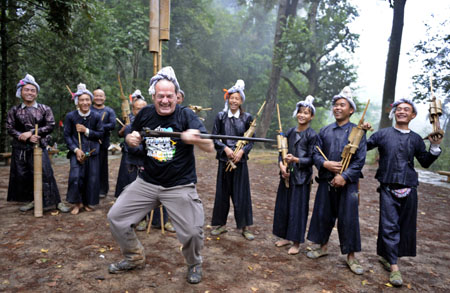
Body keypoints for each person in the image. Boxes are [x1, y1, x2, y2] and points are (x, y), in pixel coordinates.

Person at [107, 66, 214, 284]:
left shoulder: (186, 116)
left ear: (178, 97)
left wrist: (197, 139)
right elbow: (132, 134)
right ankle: (134, 257)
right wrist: (130, 140)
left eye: (169, 96)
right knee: (116, 218)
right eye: (160, 96)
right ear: (153, 96)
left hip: (179, 185)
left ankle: (194, 263)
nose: (165, 100)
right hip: (147, 182)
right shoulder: (145, 114)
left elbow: (210, 146)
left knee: (193, 232)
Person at [366, 99, 442, 286]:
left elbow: (424, 161)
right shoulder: (382, 134)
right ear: (394, 113)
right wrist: (361, 132)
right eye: (398, 109)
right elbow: (363, 147)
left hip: (409, 186)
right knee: (389, 225)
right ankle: (394, 267)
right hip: (387, 186)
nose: (401, 112)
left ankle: (387, 256)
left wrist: (435, 146)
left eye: (406, 110)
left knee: (403, 226)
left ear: (413, 115)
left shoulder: (416, 139)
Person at [306, 86, 366, 275]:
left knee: (348, 220)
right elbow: (315, 153)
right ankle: (322, 247)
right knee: (324, 214)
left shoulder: (358, 133)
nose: (337, 108)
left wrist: (344, 176)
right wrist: (325, 164)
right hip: (326, 181)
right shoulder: (324, 131)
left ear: (351, 110)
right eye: (335, 105)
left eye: (342, 105)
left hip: (347, 185)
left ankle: (351, 257)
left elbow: (359, 160)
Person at [6, 74, 70, 213]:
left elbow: (50, 125)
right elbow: (10, 128)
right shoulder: (14, 110)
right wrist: (23, 136)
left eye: (32, 90)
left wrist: (34, 134)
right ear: (20, 92)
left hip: (39, 147)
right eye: (26, 90)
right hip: (21, 149)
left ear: (36, 93)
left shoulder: (44, 109)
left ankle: (56, 202)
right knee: (25, 175)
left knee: (46, 173)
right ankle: (32, 200)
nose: (29, 92)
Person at [210, 79, 255, 241]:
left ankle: (245, 227)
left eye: (237, 98)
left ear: (241, 100)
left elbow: (251, 139)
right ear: (228, 99)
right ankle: (220, 225)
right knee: (222, 194)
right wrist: (226, 149)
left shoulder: (247, 118)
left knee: (241, 194)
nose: (234, 101)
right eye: (231, 97)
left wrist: (241, 151)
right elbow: (215, 138)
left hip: (240, 163)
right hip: (224, 161)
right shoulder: (221, 117)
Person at [273, 96, 318, 255]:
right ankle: (285, 236)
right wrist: (281, 166)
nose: (302, 115)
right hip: (286, 175)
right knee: (284, 207)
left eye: (306, 113)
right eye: (300, 112)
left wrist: (296, 159)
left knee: (298, 210)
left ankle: (296, 242)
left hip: (302, 178)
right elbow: (281, 152)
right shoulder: (290, 132)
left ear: (311, 116)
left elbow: (313, 158)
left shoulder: (312, 135)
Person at [64, 83, 104, 215]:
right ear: (77, 102)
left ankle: (87, 202)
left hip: (92, 152)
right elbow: (67, 136)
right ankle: (77, 203)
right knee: (75, 177)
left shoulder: (97, 116)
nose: (85, 102)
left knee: (91, 178)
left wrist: (86, 130)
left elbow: (100, 134)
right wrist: (75, 149)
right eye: (82, 100)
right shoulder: (71, 116)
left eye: (87, 100)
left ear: (91, 101)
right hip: (77, 152)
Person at [91, 88, 116, 198]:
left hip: (103, 142)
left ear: (104, 98)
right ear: (92, 97)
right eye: (96, 95)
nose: (99, 98)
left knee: (102, 166)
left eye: (101, 96)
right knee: (91, 166)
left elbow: (113, 125)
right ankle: (91, 189)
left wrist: (99, 128)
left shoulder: (109, 111)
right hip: (90, 142)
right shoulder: (89, 109)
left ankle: (102, 189)